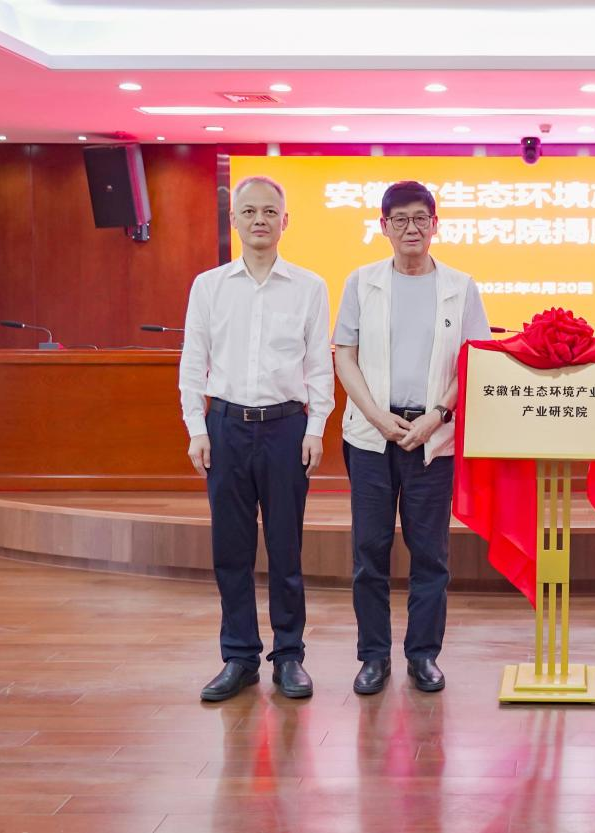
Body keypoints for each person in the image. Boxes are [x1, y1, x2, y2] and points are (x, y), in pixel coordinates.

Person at [180, 176, 335, 701]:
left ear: (285, 221)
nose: (260, 220)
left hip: (286, 428)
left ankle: (289, 656)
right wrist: (196, 428)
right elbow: (193, 362)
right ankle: (239, 657)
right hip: (225, 427)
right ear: (234, 221)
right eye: (249, 212)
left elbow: (318, 366)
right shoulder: (209, 286)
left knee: (286, 549)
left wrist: (315, 427)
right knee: (231, 550)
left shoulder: (310, 286)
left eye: (270, 211)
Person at [333, 180, 490, 695]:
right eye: (399, 219)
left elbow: (473, 361)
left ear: (435, 225)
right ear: (383, 227)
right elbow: (344, 355)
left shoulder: (460, 286)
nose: (411, 228)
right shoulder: (362, 282)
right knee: (369, 552)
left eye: (421, 218)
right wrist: (377, 416)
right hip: (371, 437)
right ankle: (373, 656)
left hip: (432, 438)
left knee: (430, 555)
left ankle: (423, 655)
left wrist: (438, 415)